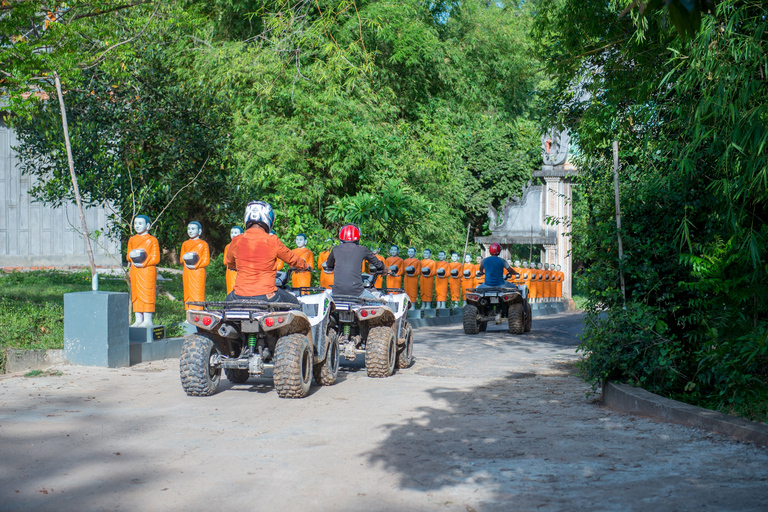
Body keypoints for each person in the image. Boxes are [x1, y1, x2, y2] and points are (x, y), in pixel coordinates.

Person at [224, 201, 308, 305]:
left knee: (226, 307)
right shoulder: (272, 240)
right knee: (294, 302)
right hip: (267, 295)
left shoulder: (236, 240)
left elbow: (230, 263)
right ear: (268, 218)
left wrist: (236, 266)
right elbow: (291, 258)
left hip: (239, 294)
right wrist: (304, 265)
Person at [324, 224, 385, 298]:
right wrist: (383, 268)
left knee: (328, 303)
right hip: (357, 292)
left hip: (337, 292)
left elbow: (329, 265)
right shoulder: (362, 249)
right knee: (378, 303)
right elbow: (378, 264)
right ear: (358, 236)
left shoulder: (335, 249)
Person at [126, 215, 160, 327]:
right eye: (135, 223)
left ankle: (147, 319)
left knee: (147, 293)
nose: (137, 226)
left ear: (148, 226)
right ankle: (138, 319)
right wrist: (134, 256)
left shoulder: (152, 240)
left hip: (147, 270)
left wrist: (143, 262)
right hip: (135, 269)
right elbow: (128, 256)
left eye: (140, 223)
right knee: (136, 294)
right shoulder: (132, 239)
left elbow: (155, 258)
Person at [180, 221, 210, 311]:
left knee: (197, 293)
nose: (190, 231)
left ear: (199, 231)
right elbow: (181, 259)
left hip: (198, 272)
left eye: (193, 229)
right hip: (187, 272)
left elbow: (206, 260)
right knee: (187, 293)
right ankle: (188, 314)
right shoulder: (185, 244)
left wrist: (196, 265)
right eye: (189, 229)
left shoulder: (203, 244)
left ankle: (198, 313)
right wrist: (186, 258)